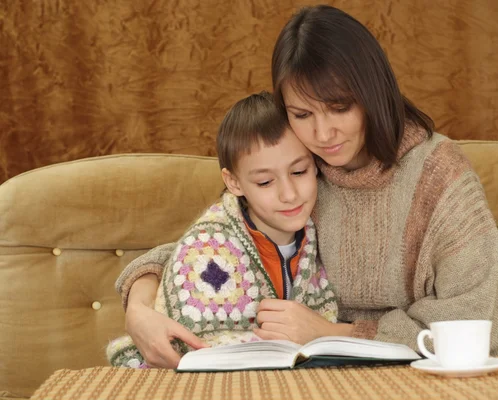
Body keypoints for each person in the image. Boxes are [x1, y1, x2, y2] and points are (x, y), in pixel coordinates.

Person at [117, 5, 498, 368]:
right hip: (327, 372)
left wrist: (334, 332)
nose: (322, 133)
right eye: (301, 113)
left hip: (450, 371)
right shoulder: (300, 167)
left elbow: (482, 323)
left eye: (340, 107)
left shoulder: (439, 175)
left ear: (372, 93)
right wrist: (139, 310)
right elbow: (215, 242)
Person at [107, 91, 337, 368]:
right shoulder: (207, 247)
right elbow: (200, 343)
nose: (289, 194)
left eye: (299, 171)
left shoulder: (324, 225)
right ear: (234, 183)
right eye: (265, 182)